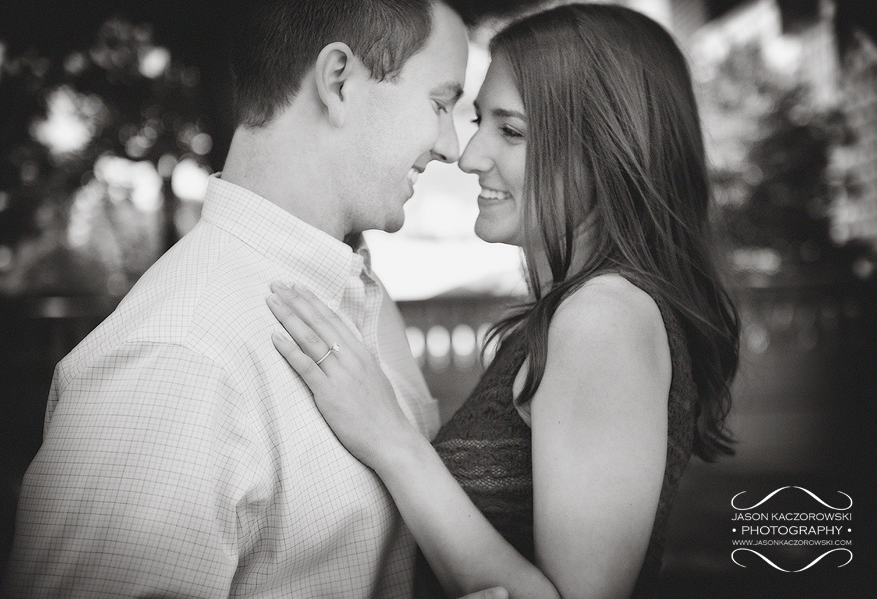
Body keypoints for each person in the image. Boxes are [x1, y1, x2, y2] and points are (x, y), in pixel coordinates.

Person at [4, 1, 504, 597]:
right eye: (440, 103)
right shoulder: (177, 359)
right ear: (339, 81)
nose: (451, 146)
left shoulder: (359, 298)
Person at [265, 4, 741, 599]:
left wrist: (391, 441)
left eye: (510, 131)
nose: (469, 157)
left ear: (607, 148)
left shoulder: (602, 319)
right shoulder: (582, 314)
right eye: (477, 120)